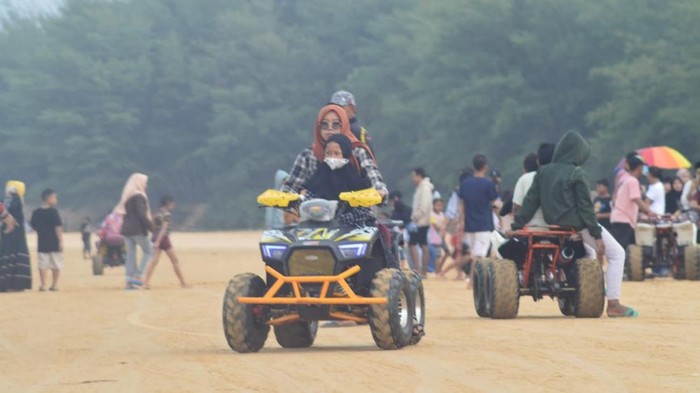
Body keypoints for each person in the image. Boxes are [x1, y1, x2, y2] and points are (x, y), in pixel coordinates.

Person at [514, 131, 637, 318]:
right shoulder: (576, 173)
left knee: (591, 254)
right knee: (617, 254)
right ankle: (613, 304)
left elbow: (530, 202)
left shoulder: (543, 172)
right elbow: (586, 208)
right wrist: (596, 235)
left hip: (552, 226)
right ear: (576, 153)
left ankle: (592, 290)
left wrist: (517, 226)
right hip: (577, 226)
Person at [281, 104, 387, 198]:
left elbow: (373, 176)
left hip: (356, 214)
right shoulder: (308, 155)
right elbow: (290, 187)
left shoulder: (357, 152)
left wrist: (380, 191)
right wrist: (289, 196)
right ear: (318, 127)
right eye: (324, 125)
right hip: (314, 214)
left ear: (344, 125)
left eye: (335, 124)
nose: (330, 129)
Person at [301, 134, 374, 226]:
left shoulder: (353, 179)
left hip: (350, 230)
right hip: (318, 228)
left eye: (336, 153)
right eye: (328, 153)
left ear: (345, 154)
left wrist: (340, 220)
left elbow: (363, 209)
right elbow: (309, 199)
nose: (332, 157)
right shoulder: (320, 175)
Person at [457, 154, 501, 287]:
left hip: (469, 224)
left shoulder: (465, 184)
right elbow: (496, 204)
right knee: (479, 255)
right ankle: (473, 281)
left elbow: (462, 204)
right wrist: (500, 218)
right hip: (483, 224)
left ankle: (476, 279)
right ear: (485, 167)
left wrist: (460, 221)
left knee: (475, 253)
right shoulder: (489, 184)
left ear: (473, 166)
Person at [610, 153, 657, 252]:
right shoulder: (632, 181)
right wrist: (649, 211)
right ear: (639, 167)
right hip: (623, 219)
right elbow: (636, 199)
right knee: (622, 249)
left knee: (626, 248)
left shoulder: (625, 179)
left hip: (620, 218)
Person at [115, 173, 153, 290]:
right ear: (139, 183)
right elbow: (141, 214)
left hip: (126, 230)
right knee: (149, 251)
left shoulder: (128, 196)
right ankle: (138, 276)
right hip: (137, 229)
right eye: (144, 182)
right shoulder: (139, 196)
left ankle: (129, 283)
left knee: (130, 256)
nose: (145, 185)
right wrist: (151, 227)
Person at [142, 195, 189, 289]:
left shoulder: (157, 214)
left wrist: (155, 240)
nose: (173, 205)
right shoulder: (167, 215)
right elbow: (164, 229)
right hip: (164, 239)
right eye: (171, 204)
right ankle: (183, 283)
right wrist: (158, 241)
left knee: (154, 262)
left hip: (156, 238)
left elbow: (153, 227)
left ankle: (145, 283)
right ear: (168, 203)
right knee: (175, 261)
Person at [30, 189, 63, 292]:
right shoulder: (54, 212)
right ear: (48, 198)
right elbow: (58, 227)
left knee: (43, 264)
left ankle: (43, 285)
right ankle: (54, 284)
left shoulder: (36, 212)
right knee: (56, 264)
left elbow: (33, 226)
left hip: (42, 241)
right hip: (54, 241)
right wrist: (61, 241)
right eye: (54, 197)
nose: (56, 199)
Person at [0, 181, 31, 292]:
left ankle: (8, 283)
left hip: (10, 234)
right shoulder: (15, 201)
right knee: (14, 255)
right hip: (15, 235)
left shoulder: (10, 201)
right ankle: (15, 284)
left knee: (8, 255)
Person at [329, 90, 374, 155]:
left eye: (340, 107)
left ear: (352, 108)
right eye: (333, 107)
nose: (337, 110)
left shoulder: (359, 132)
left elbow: (369, 157)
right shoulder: (331, 130)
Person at [409, 168, 434, 278]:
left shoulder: (425, 188)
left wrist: (415, 217)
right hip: (420, 221)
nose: (413, 179)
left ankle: (419, 270)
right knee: (422, 244)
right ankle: (421, 271)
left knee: (414, 244)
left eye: (414, 176)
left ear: (419, 176)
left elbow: (424, 206)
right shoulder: (421, 187)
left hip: (420, 221)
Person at [512, 152, 546, 228]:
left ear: (525, 168)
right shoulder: (548, 177)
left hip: (528, 227)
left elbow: (516, 206)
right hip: (549, 225)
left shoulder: (523, 179)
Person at [428, 198, 446, 274]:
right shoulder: (431, 214)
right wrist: (442, 226)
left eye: (440, 205)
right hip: (433, 237)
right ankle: (437, 271)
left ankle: (438, 269)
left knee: (443, 253)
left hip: (441, 237)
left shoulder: (442, 214)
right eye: (437, 205)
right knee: (436, 255)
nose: (439, 206)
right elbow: (435, 226)